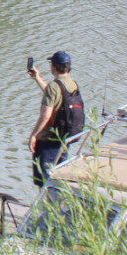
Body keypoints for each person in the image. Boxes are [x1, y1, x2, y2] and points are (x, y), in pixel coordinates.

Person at [27, 50, 85, 188]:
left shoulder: (55, 86)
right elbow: (55, 94)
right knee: (59, 176)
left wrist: (34, 135)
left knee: (46, 179)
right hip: (64, 138)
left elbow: (46, 114)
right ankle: (59, 205)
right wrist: (37, 78)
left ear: (53, 66)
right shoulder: (72, 84)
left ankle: (48, 207)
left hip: (49, 140)